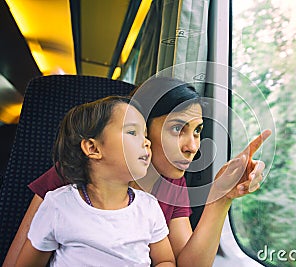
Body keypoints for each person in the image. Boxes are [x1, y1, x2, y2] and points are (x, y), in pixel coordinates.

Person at [5, 76, 271, 267]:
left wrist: (220, 198)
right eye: (178, 128)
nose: (193, 147)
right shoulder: (74, 174)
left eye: (198, 131)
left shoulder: (170, 186)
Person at [15, 96, 175, 266]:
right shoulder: (58, 205)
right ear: (93, 148)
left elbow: (164, 260)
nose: (147, 142)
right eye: (132, 132)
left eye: (145, 134)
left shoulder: (148, 207)